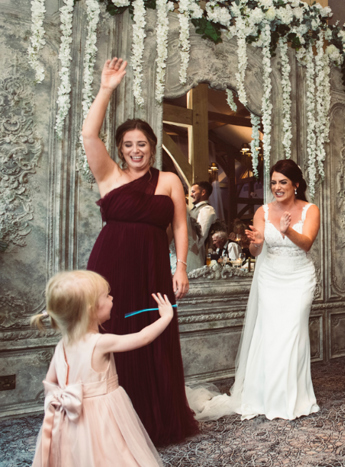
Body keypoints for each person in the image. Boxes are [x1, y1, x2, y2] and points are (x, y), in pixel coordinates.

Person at [82, 58, 198, 445]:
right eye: (129, 145)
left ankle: (153, 421)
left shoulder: (168, 180)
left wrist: (180, 266)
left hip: (152, 269)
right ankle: (111, 425)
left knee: (153, 336)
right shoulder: (109, 176)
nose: (136, 150)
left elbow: (180, 225)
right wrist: (106, 89)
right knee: (112, 335)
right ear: (120, 148)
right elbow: (87, 136)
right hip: (110, 268)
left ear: (153, 147)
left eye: (142, 144)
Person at [190, 159, 320, 421]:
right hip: (270, 277)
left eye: (283, 182)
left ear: (296, 184)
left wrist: (287, 232)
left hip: (299, 277)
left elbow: (305, 244)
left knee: (293, 332)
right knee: (271, 334)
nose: (277, 187)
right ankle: (267, 396)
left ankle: (293, 397)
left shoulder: (310, 209)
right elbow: (256, 251)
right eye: (273, 182)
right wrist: (258, 242)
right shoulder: (262, 211)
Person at [30, 270, 170, 466]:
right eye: (107, 295)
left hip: (71, 418)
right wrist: (165, 317)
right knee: (112, 453)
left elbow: (51, 381)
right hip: (102, 415)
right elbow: (143, 337)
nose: (112, 298)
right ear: (91, 310)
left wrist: (62, 401)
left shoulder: (62, 344)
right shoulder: (100, 342)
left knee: (77, 455)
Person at [190, 181, 217, 263]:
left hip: (196, 256)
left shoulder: (206, 209)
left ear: (203, 192)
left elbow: (200, 236)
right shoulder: (194, 209)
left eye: (193, 192)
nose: (191, 195)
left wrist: (190, 255)